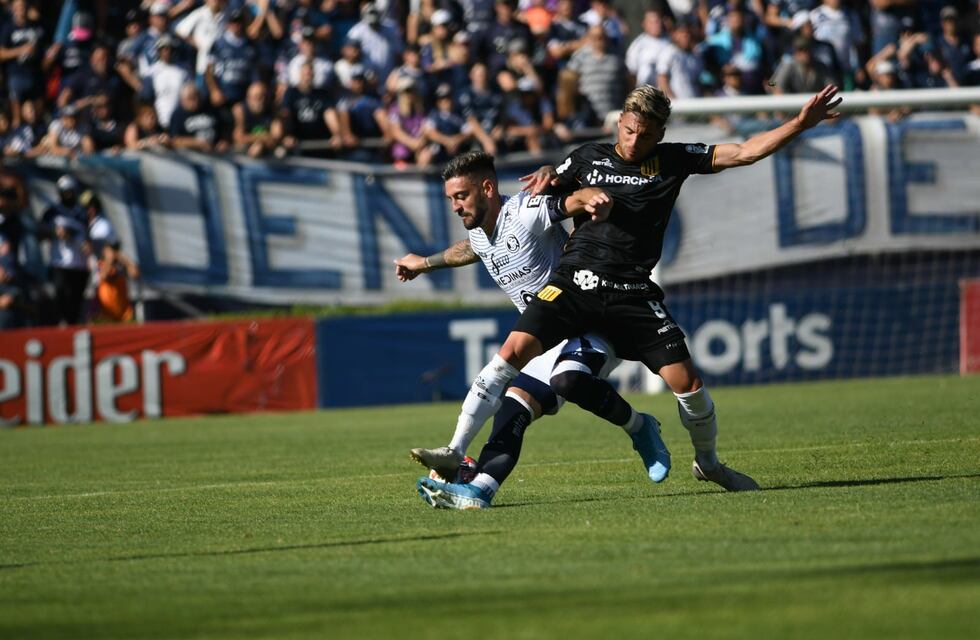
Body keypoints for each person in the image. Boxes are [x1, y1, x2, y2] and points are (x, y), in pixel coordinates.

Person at [414, 83, 843, 507]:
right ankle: (469, 473)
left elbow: (744, 151)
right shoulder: (587, 156)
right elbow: (557, 187)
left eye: (646, 134)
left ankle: (708, 463)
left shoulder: (673, 159)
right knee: (514, 357)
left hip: (631, 291)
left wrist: (799, 123)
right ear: (620, 122)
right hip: (573, 283)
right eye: (630, 130)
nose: (635, 141)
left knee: (688, 385)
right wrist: (554, 175)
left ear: (660, 134)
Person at [397, 150, 666, 509]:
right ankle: (479, 492)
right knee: (512, 410)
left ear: (487, 188)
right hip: (546, 337)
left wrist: (590, 197)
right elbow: (469, 250)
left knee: (566, 379)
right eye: (451, 199)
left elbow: (569, 203)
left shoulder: (525, 211)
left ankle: (639, 426)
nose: (456, 207)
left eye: (461, 196)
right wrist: (423, 263)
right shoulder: (480, 231)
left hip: (592, 323)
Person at [39, 175, 90, 326]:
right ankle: (62, 326)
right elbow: (39, 233)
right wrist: (55, 233)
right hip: (59, 262)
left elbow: (90, 236)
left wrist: (82, 241)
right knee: (60, 296)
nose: (68, 195)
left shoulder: (83, 213)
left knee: (76, 301)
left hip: (79, 263)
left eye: (71, 192)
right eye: (65, 192)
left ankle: (72, 327)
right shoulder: (52, 212)